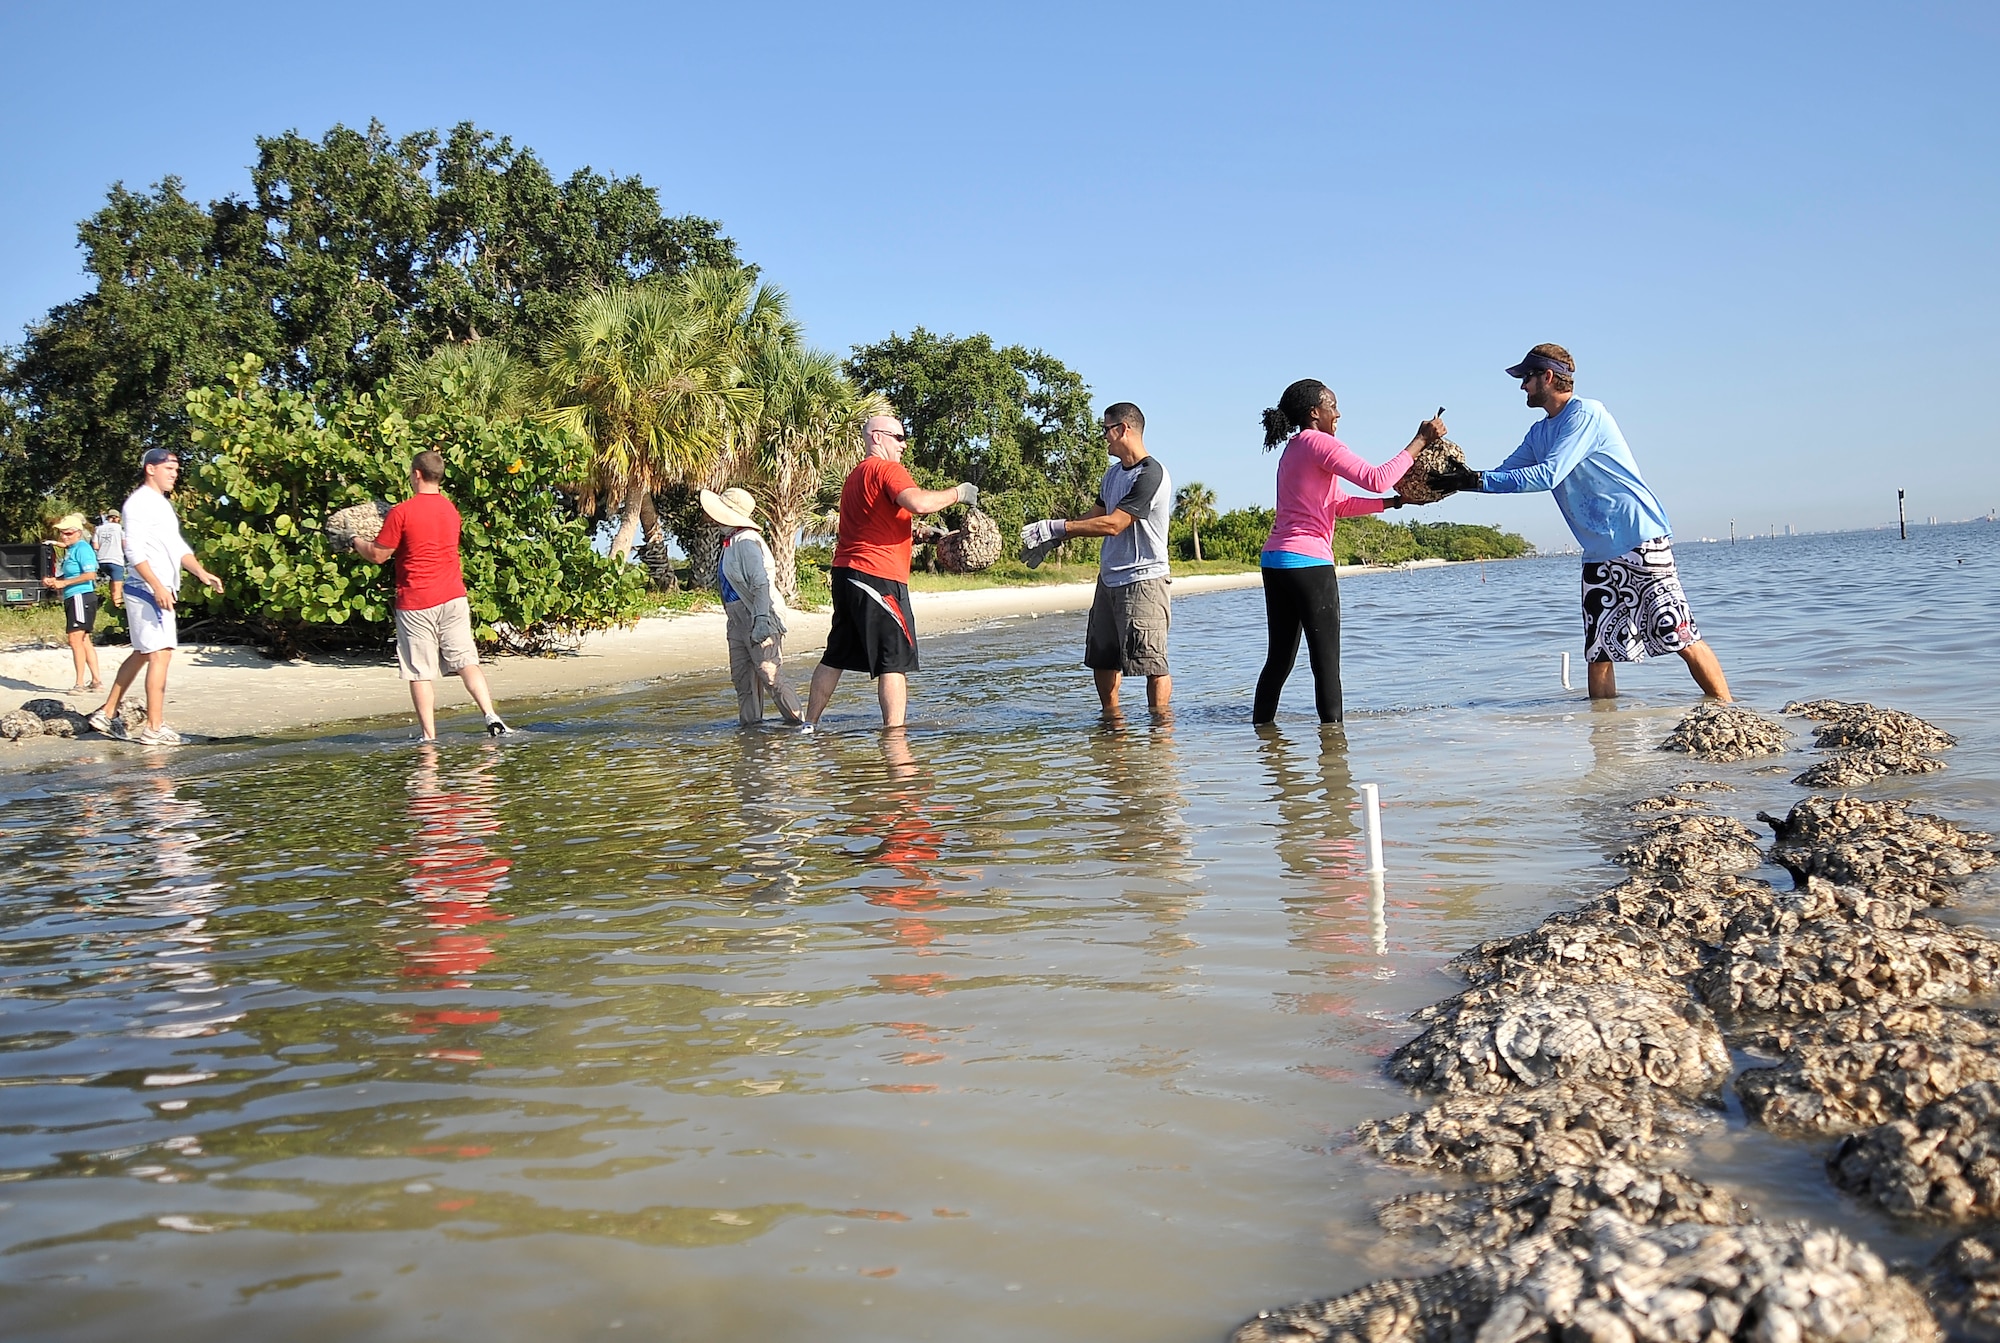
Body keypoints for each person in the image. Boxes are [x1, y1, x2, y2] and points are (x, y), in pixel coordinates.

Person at [1429, 344, 1731, 701]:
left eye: (1526, 378)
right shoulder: (1539, 434)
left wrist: (1477, 481)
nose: (1522, 386)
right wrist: (1458, 478)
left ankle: (1729, 711)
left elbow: (1548, 474)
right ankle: (1606, 742)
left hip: (1639, 539)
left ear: (1548, 377)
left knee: (1680, 634)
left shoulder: (1586, 414)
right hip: (1597, 553)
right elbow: (1504, 474)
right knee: (1599, 651)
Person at [1251, 380, 1442, 725]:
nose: (1338, 414)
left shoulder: (1295, 448)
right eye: (1332, 406)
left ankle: (1262, 737)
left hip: (1275, 560)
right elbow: (1375, 477)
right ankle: (1335, 755)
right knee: (1326, 664)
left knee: (1279, 660)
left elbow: (1337, 504)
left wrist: (1395, 503)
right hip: (1308, 563)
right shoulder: (1320, 442)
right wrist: (1421, 440)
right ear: (1315, 413)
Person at [802, 414, 978, 730]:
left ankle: (808, 725)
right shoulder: (886, 469)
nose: (904, 444)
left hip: (846, 575)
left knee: (836, 655)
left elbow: (873, 526)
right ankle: (894, 737)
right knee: (893, 661)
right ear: (878, 437)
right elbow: (918, 502)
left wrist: (923, 535)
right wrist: (958, 493)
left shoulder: (856, 475)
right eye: (899, 437)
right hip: (877, 578)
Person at [1020, 402, 1176, 716]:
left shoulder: (1151, 474)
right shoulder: (1113, 474)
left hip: (1144, 581)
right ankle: (1112, 723)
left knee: (1152, 661)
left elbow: (1115, 524)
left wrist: (1057, 526)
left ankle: (1159, 735)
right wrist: (1056, 537)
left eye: (1106, 429)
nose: (1103, 436)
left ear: (1123, 429)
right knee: (1102, 657)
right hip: (1109, 581)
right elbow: (1097, 515)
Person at [348, 450, 514, 741]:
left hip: (416, 602)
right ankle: (491, 716)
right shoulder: (451, 511)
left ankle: (429, 736)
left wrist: (354, 540)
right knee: (466, 661)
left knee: (420, 672)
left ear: (416, 474)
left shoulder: (402, 512)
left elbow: (378, 555)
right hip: (453, 597)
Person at [89, 449, 226, 746]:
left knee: (143, 652)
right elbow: (134, 552)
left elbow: (176, 546)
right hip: (146, 588)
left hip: (157, 587)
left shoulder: (161, 504)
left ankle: (108, 712)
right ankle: (154, 727)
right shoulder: (138, 503)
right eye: (169, 468)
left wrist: (202, 572)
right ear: (150, 469)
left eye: (176, 468)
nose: (174, 473)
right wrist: (157, 587)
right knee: (160, 653)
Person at [704, 485, 804, 726]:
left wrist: (761, 620)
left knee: (770, 674)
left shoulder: (747, 541)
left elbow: (761, 584)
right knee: (742, 679)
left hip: (757, 614)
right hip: (736, 619)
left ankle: (801, 725)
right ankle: (750, 733)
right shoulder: (731, 541)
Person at [42, 513, 103, 693]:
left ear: (78, 533)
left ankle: (79, 683)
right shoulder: (72, 550)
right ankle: (96, 681)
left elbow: (90, 575)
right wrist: (56, 580)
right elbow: (70, 574)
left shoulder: (83, 548)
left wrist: (64, 583)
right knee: (83, 640)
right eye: (62, 533)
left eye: (68, 533)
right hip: (74, 596)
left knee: (75, 639)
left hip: (81, 596)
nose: (64, 536)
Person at [93, 509, 125, 605]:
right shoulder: (120, 529)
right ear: (117, 518)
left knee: (111, 580)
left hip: (102, 560)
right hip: (116, 559)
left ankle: (111, 601)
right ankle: (116, 604)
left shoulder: (99, 529)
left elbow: (95, 546)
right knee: (117, 584)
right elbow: (125, 544)